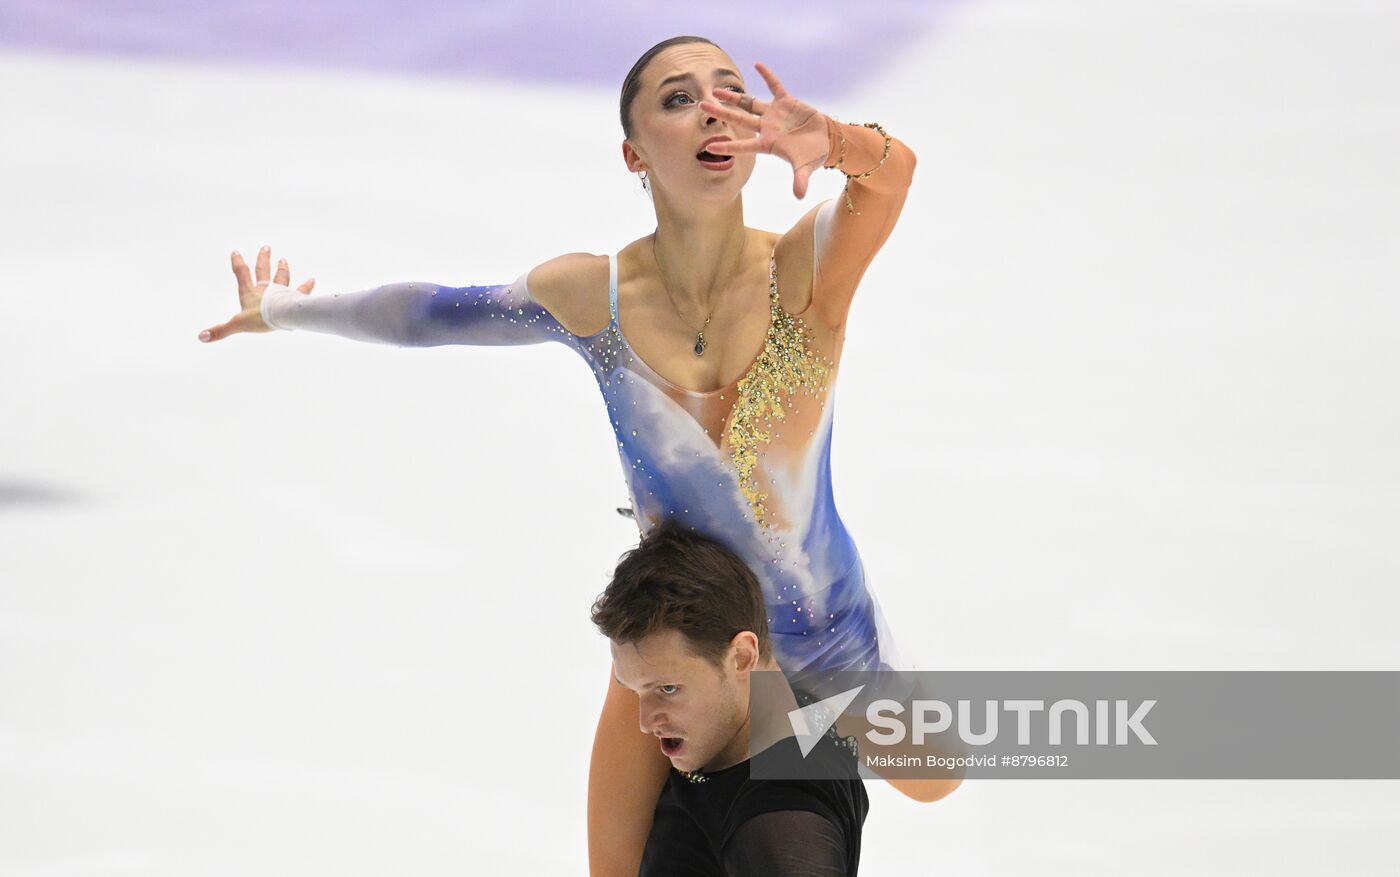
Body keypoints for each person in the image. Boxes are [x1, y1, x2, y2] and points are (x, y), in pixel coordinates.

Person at [198, 35, 960, 877]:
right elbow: (430, 314)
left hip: (821, 643)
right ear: (634, 153)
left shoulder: (803, 270)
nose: (711, 106)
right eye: (678, 98)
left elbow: (892, 177)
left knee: (936, 775)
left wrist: (840, 142)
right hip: (675, 642)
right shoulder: (593, 298)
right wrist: (283, 311)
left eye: (729, 91)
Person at [593, 516, 869, 877]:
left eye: (668, 689)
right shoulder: (739, 735)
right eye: (635, 689)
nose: (645, 723)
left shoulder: (780, 817)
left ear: (741, 657)